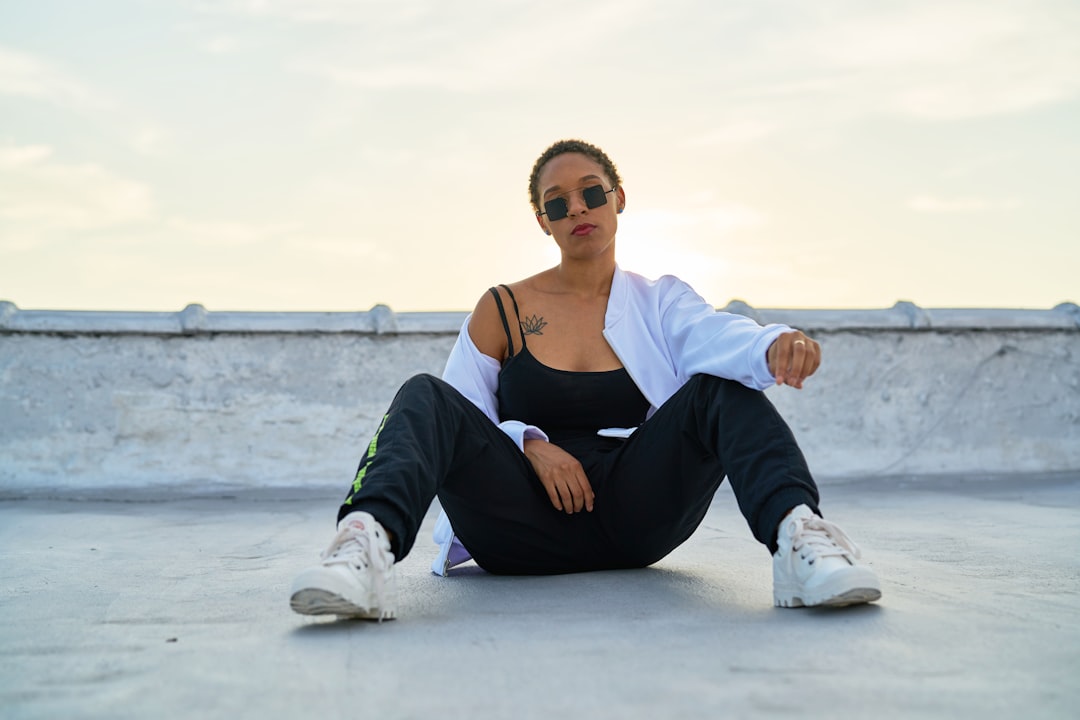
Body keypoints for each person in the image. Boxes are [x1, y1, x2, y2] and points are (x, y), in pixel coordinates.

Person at [289, 139, 881, 620]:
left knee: (721, 386)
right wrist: (530, 444)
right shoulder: (504, 308)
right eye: (556, 202)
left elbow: (713, 335)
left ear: (618, 199)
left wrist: (771, 342)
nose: (576, 208)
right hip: (516, 524)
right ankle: (363, 550)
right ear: (542, 220)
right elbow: (459, 414)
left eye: (591, 192)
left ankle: (798, 539)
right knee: (422, 393)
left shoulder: (658, 301)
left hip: (635, 515)